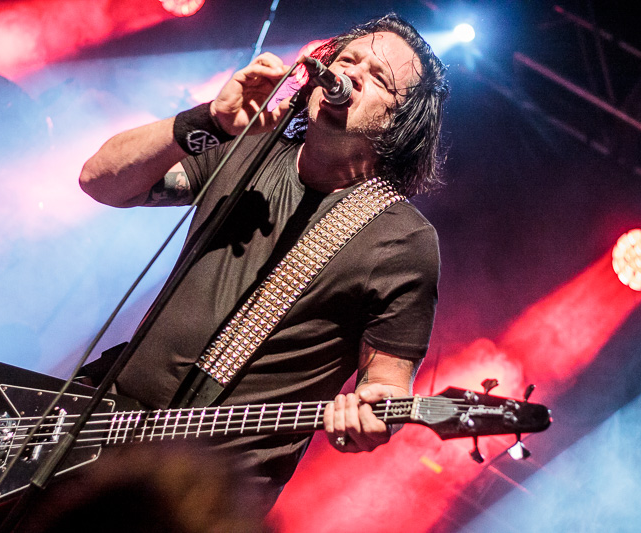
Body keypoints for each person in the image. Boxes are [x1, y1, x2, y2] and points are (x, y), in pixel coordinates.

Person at [79, 13, 448, 508]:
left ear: (400, 123)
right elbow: (100, 180)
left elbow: (386, 385)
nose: (351, 74)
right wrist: (208, 121)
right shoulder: (247, 149)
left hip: (206, 498)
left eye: (378, 77)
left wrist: (371, 414)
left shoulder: (403, 241)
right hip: (97, 426)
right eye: (347, 59)